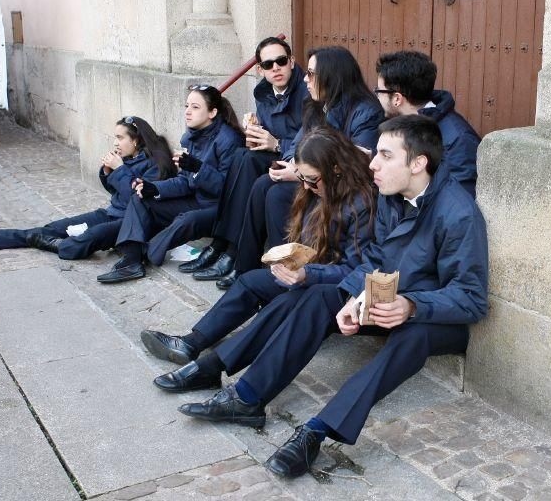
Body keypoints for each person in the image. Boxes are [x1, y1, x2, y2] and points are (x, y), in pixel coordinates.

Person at [172, 115, 488, 479]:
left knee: (411, 338)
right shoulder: (392, 197)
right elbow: (375, 260)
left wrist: (412, 306)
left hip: (437, 318)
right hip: (387, 300)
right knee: (316, 297)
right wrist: (354, 297)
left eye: (385, 155)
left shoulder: (459, 214)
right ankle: (247, 397)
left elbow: (472, 299)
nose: (372, 163)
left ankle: (317, 431)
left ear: (418, 163)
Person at [139, 127, 376, 387]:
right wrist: (293, 259)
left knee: (281, 304)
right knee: (250, 281)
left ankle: (214, 368)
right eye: (301, 178)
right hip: (313, 273)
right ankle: (191, 343)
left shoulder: (360, 204)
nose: (306, 186)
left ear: (336, 169)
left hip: (335, 289)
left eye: (311, 179)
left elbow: (355, 269)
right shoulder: (318, 190)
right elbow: (313, 241)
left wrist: (308, 273)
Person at [193, 46, 385, 290]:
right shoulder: (316, 105)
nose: (306, 78)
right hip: (311, 178)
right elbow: (297, 146)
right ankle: (245, 264)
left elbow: (356, 167)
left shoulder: (365, 111)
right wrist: (291, 165)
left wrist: (297, 172)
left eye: (312, 74)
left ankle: (284, 268)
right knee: (262, 179)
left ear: (332, 75)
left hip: (339, 189)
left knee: (273, 193)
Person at [178, 37, 308, 277]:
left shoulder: (306, 90)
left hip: (298, 162)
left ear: (292, 62)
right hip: (275, 156)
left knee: (246, 161)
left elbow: (311, 137)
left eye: (281, 61)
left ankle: (231, 249)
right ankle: (221, 244)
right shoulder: (263, 93)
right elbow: (267, 135)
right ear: (260, 70)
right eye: (268, 65)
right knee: (242, 154)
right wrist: (256, 138)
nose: (275, 68)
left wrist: (277, 143)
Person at [0, 116, 174, 260]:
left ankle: (46, 242)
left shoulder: (154, 166)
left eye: (120, 138)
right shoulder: (128, 159)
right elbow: (116, 192)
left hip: (129, 222)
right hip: (110, 213)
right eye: (115, 137)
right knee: (56, 227)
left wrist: (119, 169)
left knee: (84, 241)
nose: (115, 142)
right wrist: (108, 173)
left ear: (136, 140)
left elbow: (137, 199)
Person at [96, 86, 245, 283]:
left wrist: (199, 169)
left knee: (186, 220)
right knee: (141, 198)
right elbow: (184, 181)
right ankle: (131, 261)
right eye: (186, 106)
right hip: (196, 198)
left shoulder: (229, 140)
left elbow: (229, 189)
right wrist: (155, 188)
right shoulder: (190, 136)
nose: (187, 111)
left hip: (220, 207)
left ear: (212, 112)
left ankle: (147, 252)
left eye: (195, 107)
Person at [374, 50, 480, 196]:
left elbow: (459, 202)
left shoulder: (458, 139)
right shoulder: (397, 125)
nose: (377, 97)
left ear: (397, 99)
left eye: (379, 91)